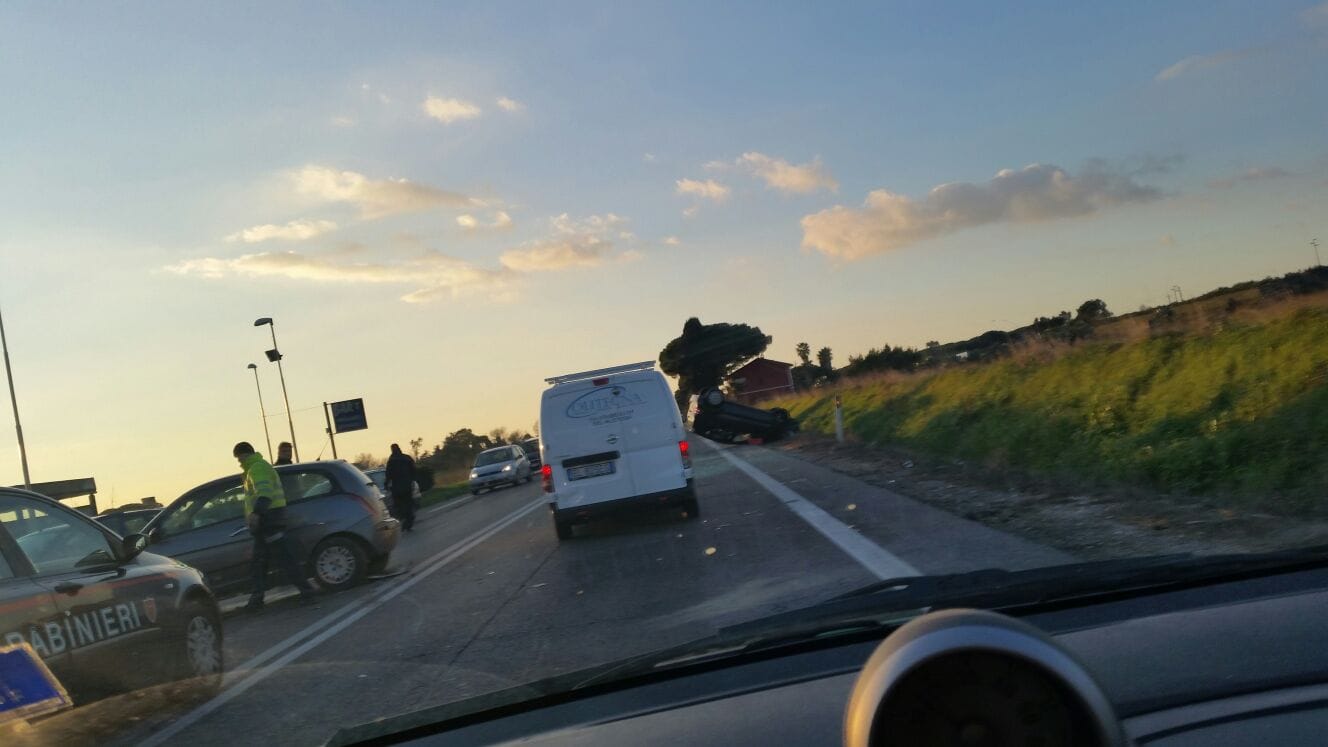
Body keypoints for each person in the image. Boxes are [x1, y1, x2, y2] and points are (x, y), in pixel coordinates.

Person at [233, 441, 316, 609]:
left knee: (282, 559)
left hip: (269, 520)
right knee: (261, 562)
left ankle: (306, 591)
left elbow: (264, 493)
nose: (239, 462)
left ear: (244, 454)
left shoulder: (257, 468)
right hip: (268, 520)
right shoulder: (255, 468)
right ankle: (257, 600)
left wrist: (256, 513)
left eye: (239, 458)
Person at [384, 443, 417, 533]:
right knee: (409, 505)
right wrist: (412, 480)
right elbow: (414, 471)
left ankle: (403, 523)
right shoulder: (406, 458)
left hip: (396, 488)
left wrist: (386, 484)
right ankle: (408, 523)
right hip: (407, 486)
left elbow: (388, 474)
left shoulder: (391, 460)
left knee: (399, 506)